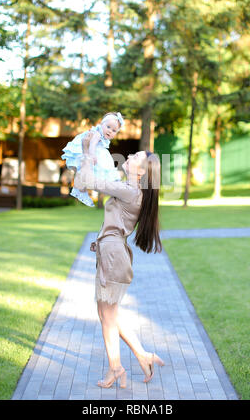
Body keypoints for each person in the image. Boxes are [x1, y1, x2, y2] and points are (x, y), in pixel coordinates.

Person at [75, 133, 165, 389]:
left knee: (107, 315)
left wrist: (89, 149)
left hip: (113, 256)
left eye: (135, 156)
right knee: (108, 314)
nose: (128, 156)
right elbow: (87, 182)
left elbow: (84, 180)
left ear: (141, 172)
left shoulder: (129, 190)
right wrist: (88, 150)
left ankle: (117, 368)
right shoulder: (129, 189)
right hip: (113, 254)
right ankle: (138, 356)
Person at [61, 112, 124, 207]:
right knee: (105, 163)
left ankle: (97, 182)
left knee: (101, 166)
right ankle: (110, 182)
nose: (110, 131)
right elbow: (93, 144)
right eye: (108, 127)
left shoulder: (101, 135)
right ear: (101, 124)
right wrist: (92, 155)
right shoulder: (97, 134)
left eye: (114, 130)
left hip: (93, 151)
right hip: (92, 151)